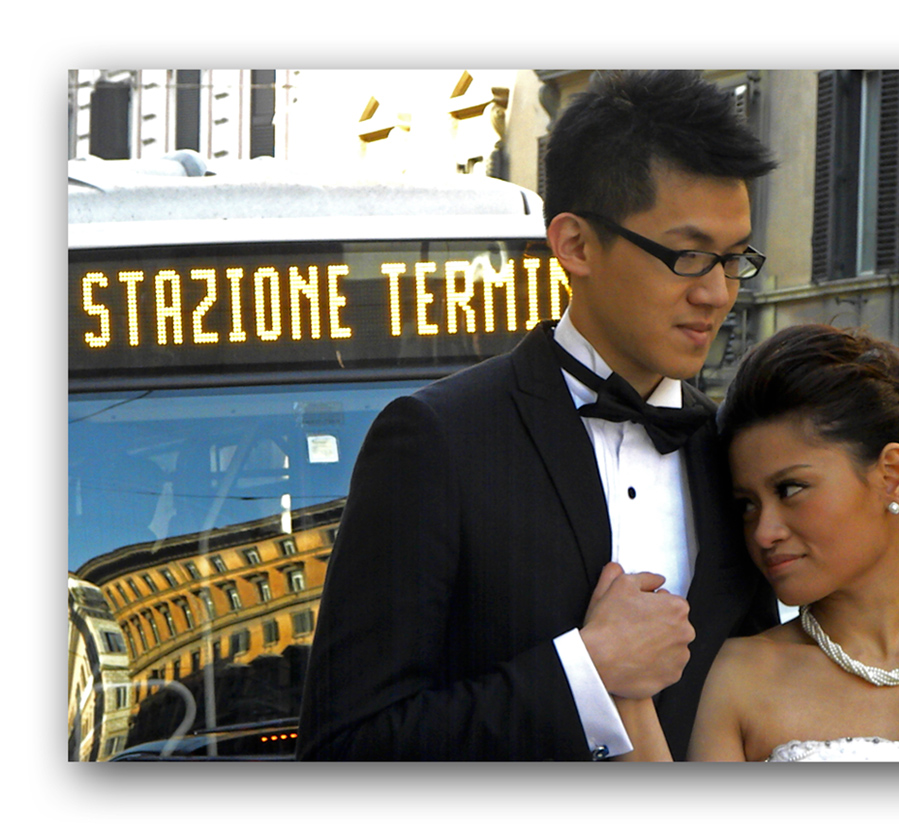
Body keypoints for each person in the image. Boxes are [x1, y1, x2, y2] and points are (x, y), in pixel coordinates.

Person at [295, 70, 779, 762]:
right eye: (689, 256)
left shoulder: (732, 452)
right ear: (575, 245)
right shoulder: (436, 441)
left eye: (734, 260)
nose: (716, 294)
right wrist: (585, 670)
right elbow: (345, 748)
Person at [612, 324, 899, 762]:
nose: (763, 532)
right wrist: (626, 695)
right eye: (747, 505)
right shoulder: (736, 677)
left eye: (790, 489)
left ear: (892, 475)